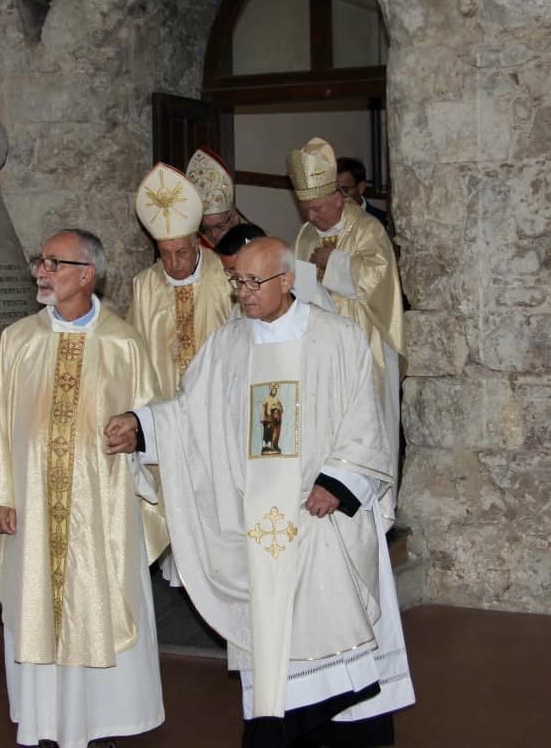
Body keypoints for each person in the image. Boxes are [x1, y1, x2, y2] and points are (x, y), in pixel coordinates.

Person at [105, 237, 414, 748]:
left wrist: (338, 481)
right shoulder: (228, 345)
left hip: (321, 516)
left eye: (254, 282)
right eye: (237, 283)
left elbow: (365, 421)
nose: (243, 294)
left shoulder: (335, 338)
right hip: (258, 520)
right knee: (269, 638)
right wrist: (140, 426)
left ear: (288, 281)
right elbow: (189, 413)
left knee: (331, 625)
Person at [0, 229, 165, 748]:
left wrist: (138, 430)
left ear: (86, 274)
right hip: (30, 507)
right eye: (40, 261)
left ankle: (105, 720)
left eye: (54, 262)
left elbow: (155, 418)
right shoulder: (19, 339)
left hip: (103, 511)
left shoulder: (123, 341)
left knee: (100, 600)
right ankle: (46, 720)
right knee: (35, 605)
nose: (41, 271)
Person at [289, 138, 405, 527]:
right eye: (307, 208)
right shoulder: (305, 235)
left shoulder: (368, 228)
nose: (314, 215)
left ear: (339, 197)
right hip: (320, 351)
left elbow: (379, 278)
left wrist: (334, 263)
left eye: (319, 207)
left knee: (367, 424)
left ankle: (377, 511)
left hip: (364, 349)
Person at [128, 162, 233, 399]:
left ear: (197, 243)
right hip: (164, 409)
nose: (174, 263)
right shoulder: (144, 285)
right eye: (165, 253)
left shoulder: (224, 274)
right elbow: (134, 356)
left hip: (217, 400)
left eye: (181, 253)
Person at [186, 147, 249, 247]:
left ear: (234, 218)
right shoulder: (196, 248)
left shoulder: (256, 247)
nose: (214, 235)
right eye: (207, 229)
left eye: (220, 226)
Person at [336, 156, 387, 226]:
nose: (336, 196)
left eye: (344, 189)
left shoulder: (383, 221)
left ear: (361, 188)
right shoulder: (322, 220)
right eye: (332, 191)